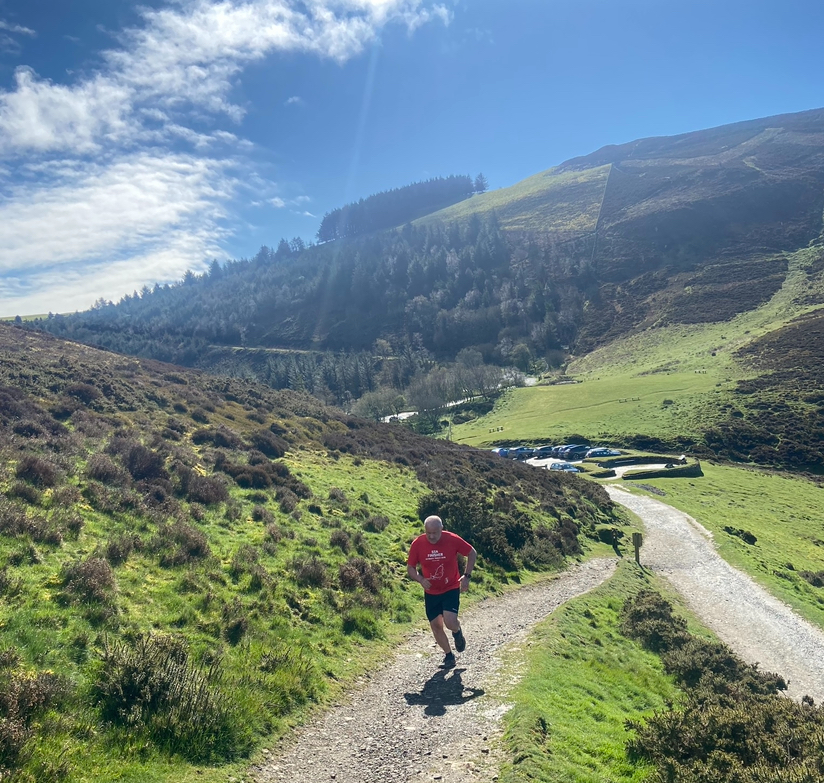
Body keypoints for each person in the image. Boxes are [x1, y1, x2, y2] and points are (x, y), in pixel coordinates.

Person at [407, 515, 477, 669]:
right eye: (428, 533)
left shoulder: (452, 539)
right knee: (436, 626)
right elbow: (410, 567)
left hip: (450, 587)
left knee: (450, 622)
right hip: (431, 592)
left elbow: (472, 553)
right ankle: (449, 656)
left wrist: (467, 576)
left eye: (435, 533)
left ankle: (457, 632)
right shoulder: (418, 544)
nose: (431, 536)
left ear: (441, 529)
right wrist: (420, 579)